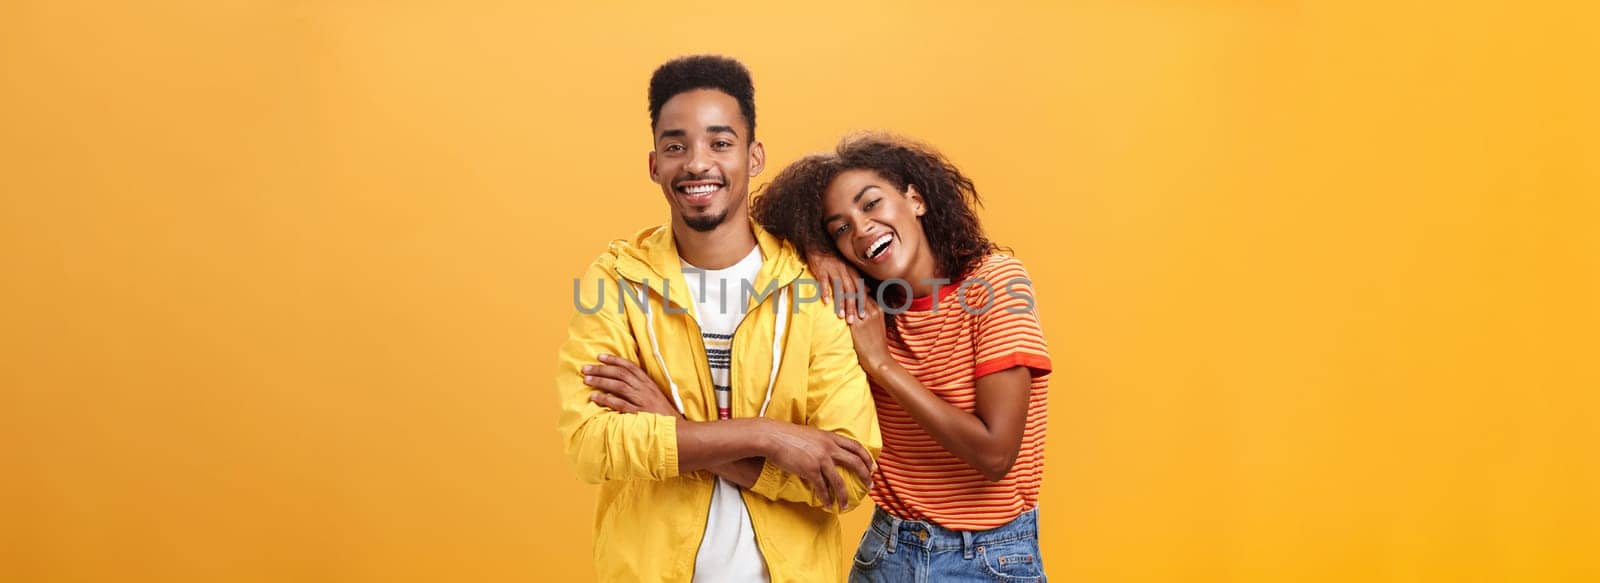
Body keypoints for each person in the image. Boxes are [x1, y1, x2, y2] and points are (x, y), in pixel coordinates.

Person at [555, 55, 880, 582]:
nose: (697, 163)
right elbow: (592, 445)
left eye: (720, 143)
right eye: (676, 145)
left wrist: (675, 430)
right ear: (654, 164)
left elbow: (846, 475)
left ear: (754, 158)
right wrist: (769, 436)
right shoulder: (616, 280)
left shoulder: (810, 286)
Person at [752, 134, 1053, 582]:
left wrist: (882, 366)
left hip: (991, 558)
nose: (861, 228)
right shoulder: (861, 309)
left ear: (916, 199)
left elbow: (995, 454)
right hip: (886, 552)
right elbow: (750, 230)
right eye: (840, 228)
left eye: (871, 204)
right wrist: (815, 251)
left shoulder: (995, 284)